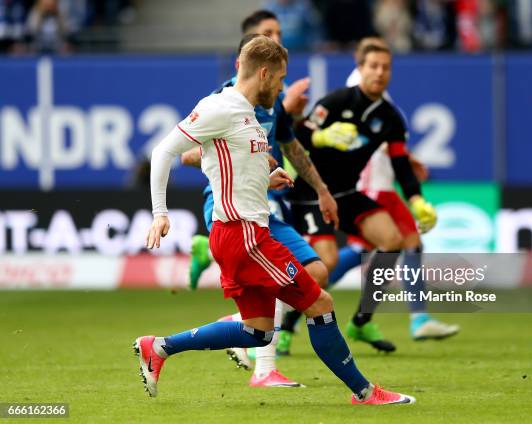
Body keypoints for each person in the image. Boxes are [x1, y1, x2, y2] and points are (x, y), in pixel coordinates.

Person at [134, 35, 415, 406]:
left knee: (258, 333)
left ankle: (159, 347)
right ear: (264, 74)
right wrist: (160, 213)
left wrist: (267, 178)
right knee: (321, 304)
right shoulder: (221, 107)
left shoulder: (249, 114)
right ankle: (364, 392)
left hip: (240, 234)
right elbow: (164, 150)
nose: (283, 87)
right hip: (244, 236)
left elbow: (225, 168)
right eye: (280, 79)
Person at [183, 11, 342, 389]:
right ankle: (263, 365)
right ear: (249, 53)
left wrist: (321, 190)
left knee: (315, 272)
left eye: (279, 33)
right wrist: (246, 160)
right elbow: (188, 152)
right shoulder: (226, 100)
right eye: (267, 34)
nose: (277, 40)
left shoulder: (276, 101)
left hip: (265, 202)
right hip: (233, 205)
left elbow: (292, 147)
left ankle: (241, 333)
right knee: (306, 279)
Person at [286, 41, 440, 353]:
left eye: (386, 67)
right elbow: (296, 135)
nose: (380, 73)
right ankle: (286, 329)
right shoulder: (338, 100)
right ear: (360, 69)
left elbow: (400, 163)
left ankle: (360, 321)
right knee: (325, 264)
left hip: (346, 192)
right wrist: (321, 135)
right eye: (373, 66)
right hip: (312, 192)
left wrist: (417, 200)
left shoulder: (391, 118)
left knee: (393, 240)